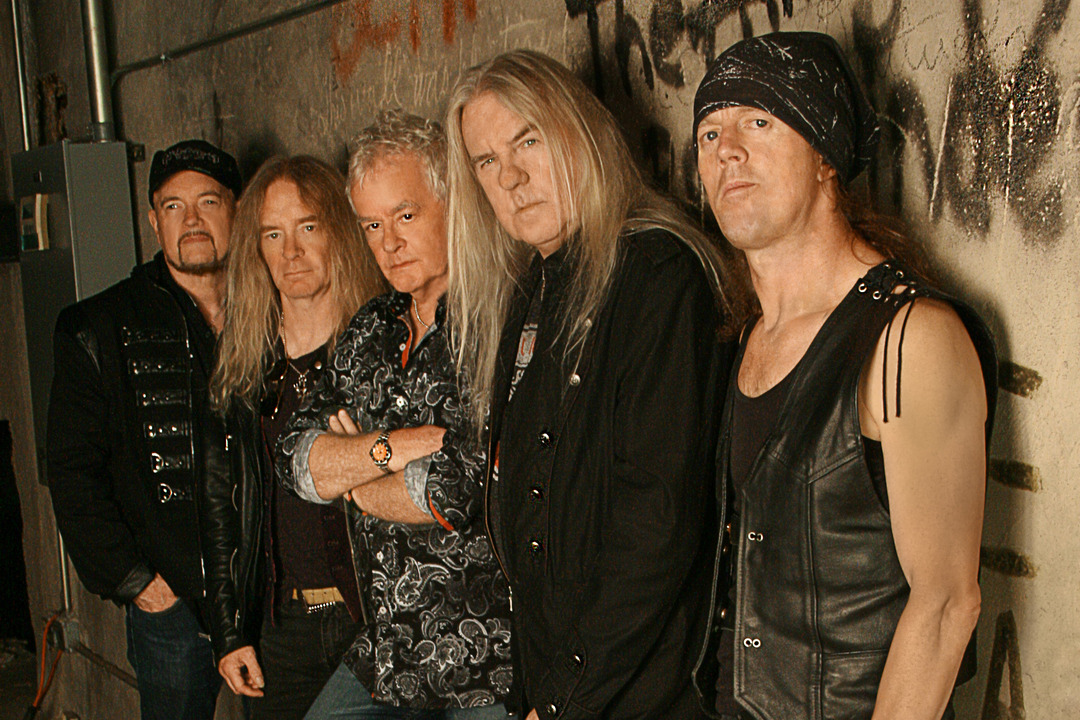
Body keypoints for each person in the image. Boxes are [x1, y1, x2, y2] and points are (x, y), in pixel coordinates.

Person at [688, 31, 998, 720]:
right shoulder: (747, 339)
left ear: (825, 155)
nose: (726, 149)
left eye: (758, 122)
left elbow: (947, 604)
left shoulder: (910, 337)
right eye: (709, 133)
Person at [445, 50, 746, 720]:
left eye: (528, 141)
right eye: (486, 161)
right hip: (562, 685)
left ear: (579, 133)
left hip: (641, 695)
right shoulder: (531, 287)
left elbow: (656, 525)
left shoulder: (659, 273)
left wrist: (560, 701)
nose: (511, 177)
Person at [277, 110, 513, 719]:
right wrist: (393, 450)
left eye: (405, 216)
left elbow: (459, 488)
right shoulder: (371, 328)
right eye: (372, 224)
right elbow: (296, 460)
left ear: (452, 204)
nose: (388, 243)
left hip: (487, 658)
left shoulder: (499, 318)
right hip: (387, 654)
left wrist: (354, 482)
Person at [47, 139, 242, 720]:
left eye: (208, 202)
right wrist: (139, 584)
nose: (192, 220)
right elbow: (72, 472)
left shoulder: (274, 311)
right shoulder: (98, 326)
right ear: (154, 221)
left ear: (237, 210)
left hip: (263, 595)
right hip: (172, 607)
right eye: (174, 206)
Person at [202, 155, 385, 718]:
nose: (291, 252)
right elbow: (220, 505)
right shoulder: (246, 364)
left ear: (339, 233)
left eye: (308, 227)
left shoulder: (380, 348)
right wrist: (230, 630)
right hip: (280, 630)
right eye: (272, 234)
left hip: (370, 619)